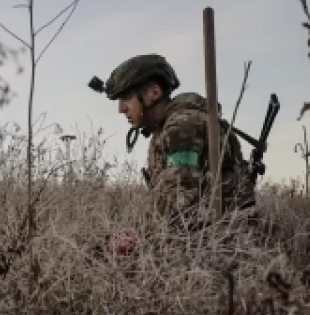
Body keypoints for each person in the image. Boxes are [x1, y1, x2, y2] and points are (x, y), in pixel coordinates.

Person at [99, 54, 257, 239]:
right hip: (204, 235)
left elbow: (179, 203)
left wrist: (139, 237)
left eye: (126, 98)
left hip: (225, 241)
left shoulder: (182, 125)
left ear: (154, 93)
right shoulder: (164, 128)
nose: (121, 109)